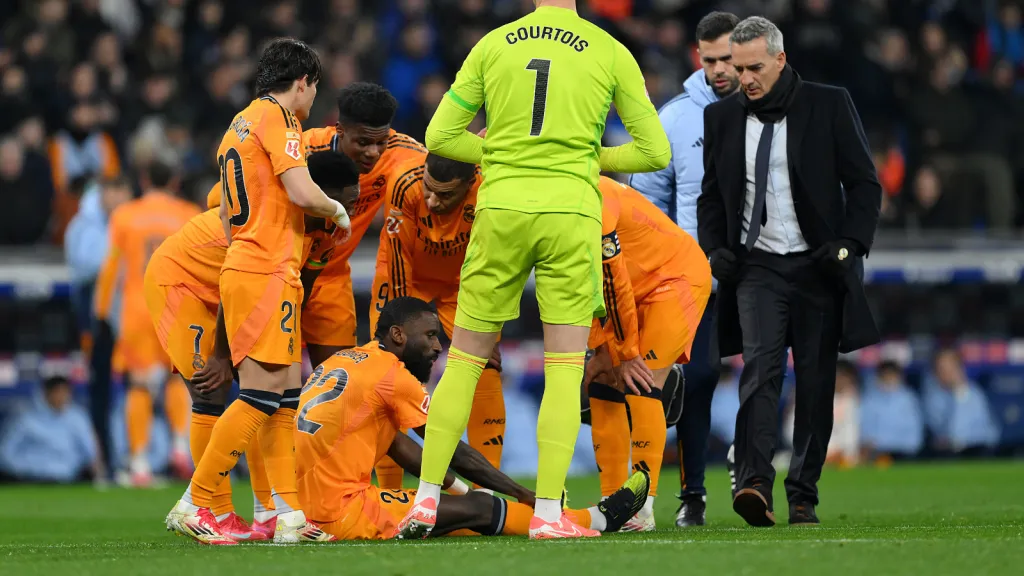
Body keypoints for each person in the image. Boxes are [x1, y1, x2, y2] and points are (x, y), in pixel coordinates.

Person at [401, 0, 671, 540]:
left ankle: (426, 503)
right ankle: (549, 513)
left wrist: (502, 155)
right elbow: (655, 152)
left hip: (501, 210)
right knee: (565, 369)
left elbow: (440, 137)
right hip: (570, 212)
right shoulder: (610, 50)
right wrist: (588, 158)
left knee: (464, 362)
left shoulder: (493, 44)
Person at [166, 38, 353, 545]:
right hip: (266, 270)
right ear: (303, 82)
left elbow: (228, 216)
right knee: (259, 396)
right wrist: (337, 210)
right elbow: (301, 190)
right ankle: (195, 501)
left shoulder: (238, 125)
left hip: (260, 267)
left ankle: (286, 516)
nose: (313, 99)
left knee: (285, 397)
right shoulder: (279, 118)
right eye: (315, 88)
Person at [697, 16, 881, 527]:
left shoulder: (829, 104)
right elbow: (710, 196)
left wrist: (850, 244)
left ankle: (803, 494)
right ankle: (754, 483)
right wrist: (714, 249)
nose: (745, 78)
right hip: (757, 266)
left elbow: (864, 184)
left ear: (780, 59)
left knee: (816, 383)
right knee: (760, 371)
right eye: (739, 69)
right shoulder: (721, 118)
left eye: (754, 67)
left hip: (818, 265)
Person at [295, 296, 650, 540]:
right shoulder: (391, 375)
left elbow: (399, 447)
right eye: (430, 335)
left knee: (459, 512)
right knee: (481, 506)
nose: (438, 346)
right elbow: (449, 447)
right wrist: (523, 493)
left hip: (308, 507)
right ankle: (596, 519)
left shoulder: (348, 360)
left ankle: (580, 516)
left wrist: (458, 490)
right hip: (342, 511)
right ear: (398, 335)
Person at [145, 151, 360, 540]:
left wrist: (288, 342)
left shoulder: (326, 232)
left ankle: (273, 513)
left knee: (279, 397)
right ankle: (212, 510)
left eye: (355, 201)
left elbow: (301, 288)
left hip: (244, 292)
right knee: (211, 391)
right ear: (318, 194)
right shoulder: (273, 220)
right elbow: (233, 275)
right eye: (346, 201)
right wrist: (222, 355)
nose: (351, 210)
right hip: (183, 282)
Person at [628, 10, 741, 528]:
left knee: (768, 374)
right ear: (698, 56)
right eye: (710, 59)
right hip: (700, 281)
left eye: (727, 59)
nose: (719, 69)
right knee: (697, 378)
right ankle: (691, 494)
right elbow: (646, 205)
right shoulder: (673, 119)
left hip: (762, 270)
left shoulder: (769, 110)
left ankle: (762, 475)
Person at [582, 176, 711, 532]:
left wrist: (624, 351)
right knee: (603, 381)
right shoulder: (561, 196)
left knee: (642, 379)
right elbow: (581, 282)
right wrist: (601, 349)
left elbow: (613, 281)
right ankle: (613, 502)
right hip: (631, 289)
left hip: (675, 278)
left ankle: (642, 508)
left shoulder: (592, 200)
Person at [369, 153, 506, 478]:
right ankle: (389, 491)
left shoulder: (491, 186)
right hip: (406, 278)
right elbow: (398, 261)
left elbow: (497, 261)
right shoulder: (406, 184)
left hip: (463, 284)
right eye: (429, 189)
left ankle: (488, 491)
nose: (432, 201)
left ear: (470, 183)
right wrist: (401, 328)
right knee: (388, 374)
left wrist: (488, 324)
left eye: (444, 195)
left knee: (485, 367)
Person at [93, 161, 201, 487]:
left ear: (143, 179)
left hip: (138, 311)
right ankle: (180, 445)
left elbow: (112, 268)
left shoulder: (125, 215)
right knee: (177, 378)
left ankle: (139, 463)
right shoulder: (189, 214)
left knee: (138, 385)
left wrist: (101, 313)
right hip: (177, 310)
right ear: (175, 181)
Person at [0, 376, 102, 484]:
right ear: (46, 393)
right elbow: (5, 453)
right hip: (29, 480)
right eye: (57, 392)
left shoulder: (78, 418)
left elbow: (90, 454)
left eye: (65, 393)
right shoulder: (26, 420)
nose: (62, 397)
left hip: (68, 480)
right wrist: (24, 469)